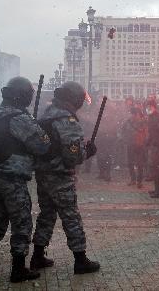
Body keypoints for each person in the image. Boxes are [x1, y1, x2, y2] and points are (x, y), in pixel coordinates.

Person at [0, 77, 51, 283]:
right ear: (23, 95)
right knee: (22, 221)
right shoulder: (19, 118)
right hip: (12, 177)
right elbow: (42, 146)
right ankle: (18, 268)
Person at [31, 81, 100, 275]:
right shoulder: (66, 120)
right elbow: (73, 156)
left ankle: (37, 255)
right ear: (75, 99)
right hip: (60, 175)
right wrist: (88, 152)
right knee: (71, 216)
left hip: (43, 173)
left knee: (47, 215)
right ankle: (80, 259)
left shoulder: (47, 115)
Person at [120, 108, 149, 188]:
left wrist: (145, 141)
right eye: (132, 114)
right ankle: (133, 179)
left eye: (134, 114)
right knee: (130, 163)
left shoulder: (143, 122)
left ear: (138, 114)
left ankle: (139, 181)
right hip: (130, 144)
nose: (133, 116)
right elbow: (122, 130)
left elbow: (146, 133)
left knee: (140, 164)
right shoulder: (127, 122)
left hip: (140, 145)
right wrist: (125, 139)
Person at [146, 100, 159, 198]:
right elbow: (151, 132)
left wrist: (157, 142)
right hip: (154, 144)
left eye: (150, 106)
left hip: (157, 145)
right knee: (154, 167)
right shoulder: (151, 117)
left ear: (154, 107)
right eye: (147, 106)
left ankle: (158, 190)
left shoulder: (158, 117)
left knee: (155, 167)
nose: (148, 108)